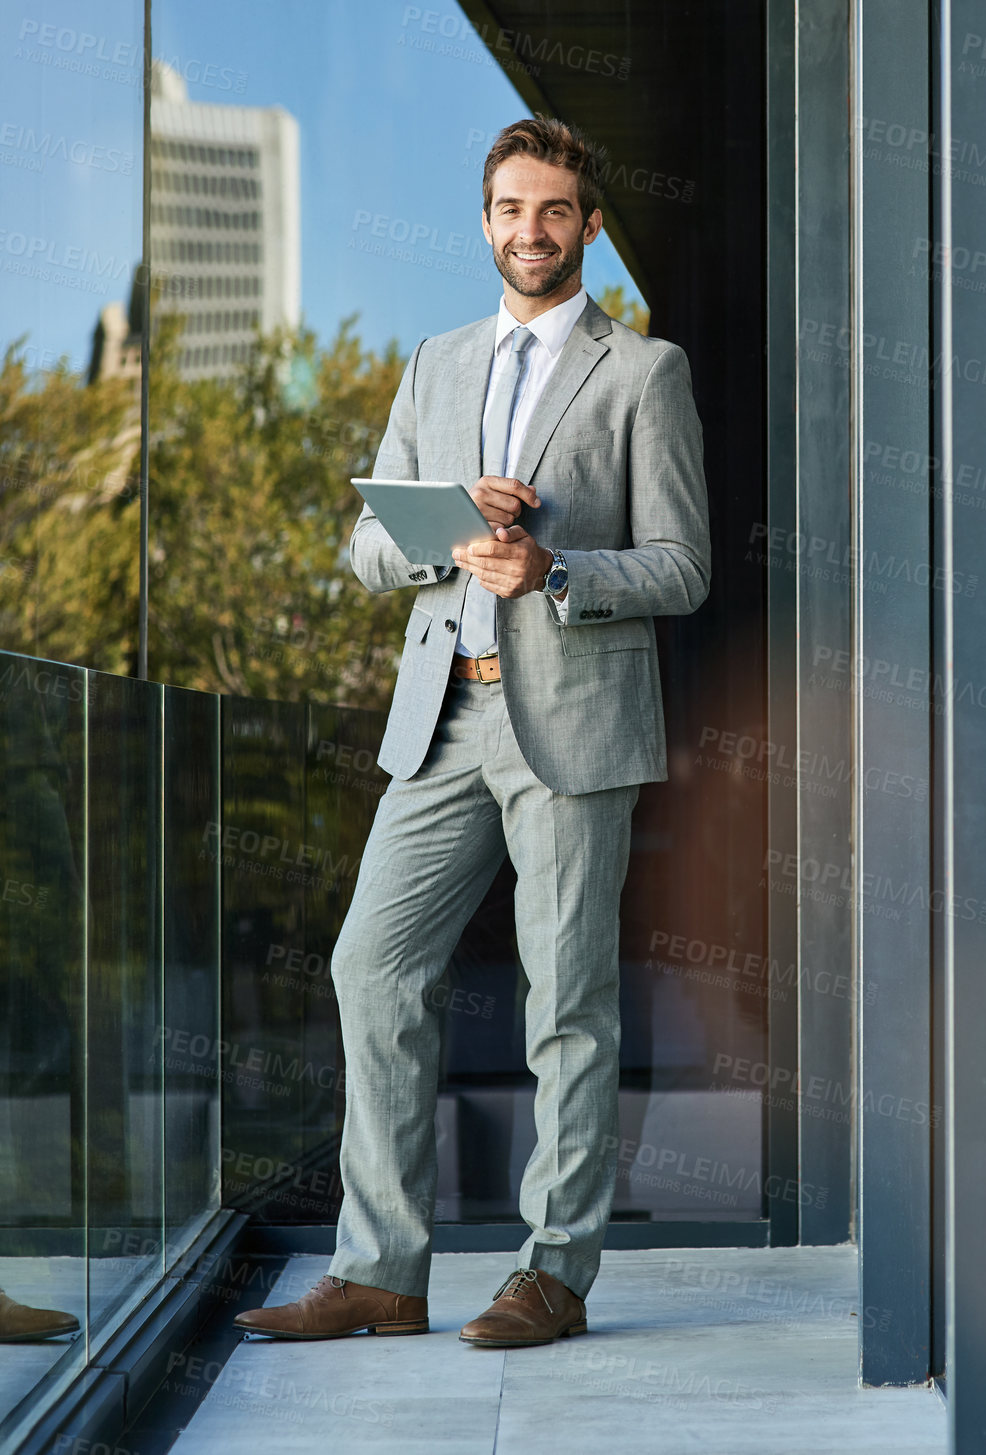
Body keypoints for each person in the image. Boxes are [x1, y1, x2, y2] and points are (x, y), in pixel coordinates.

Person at [235, 115, 709, 1347]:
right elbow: (364, 546)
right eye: (510, 209)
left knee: (567, 1003)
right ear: (485, 219)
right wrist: (446, 537)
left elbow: (684, 567)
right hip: (442, 712)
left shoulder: (643, 375)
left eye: (554, 211)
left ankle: (554, 1271)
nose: (530, 232)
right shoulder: (436, 363)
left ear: (590, 225)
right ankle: (384, 1273)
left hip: (573, 722)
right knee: (370, 967)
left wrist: (555, 566)